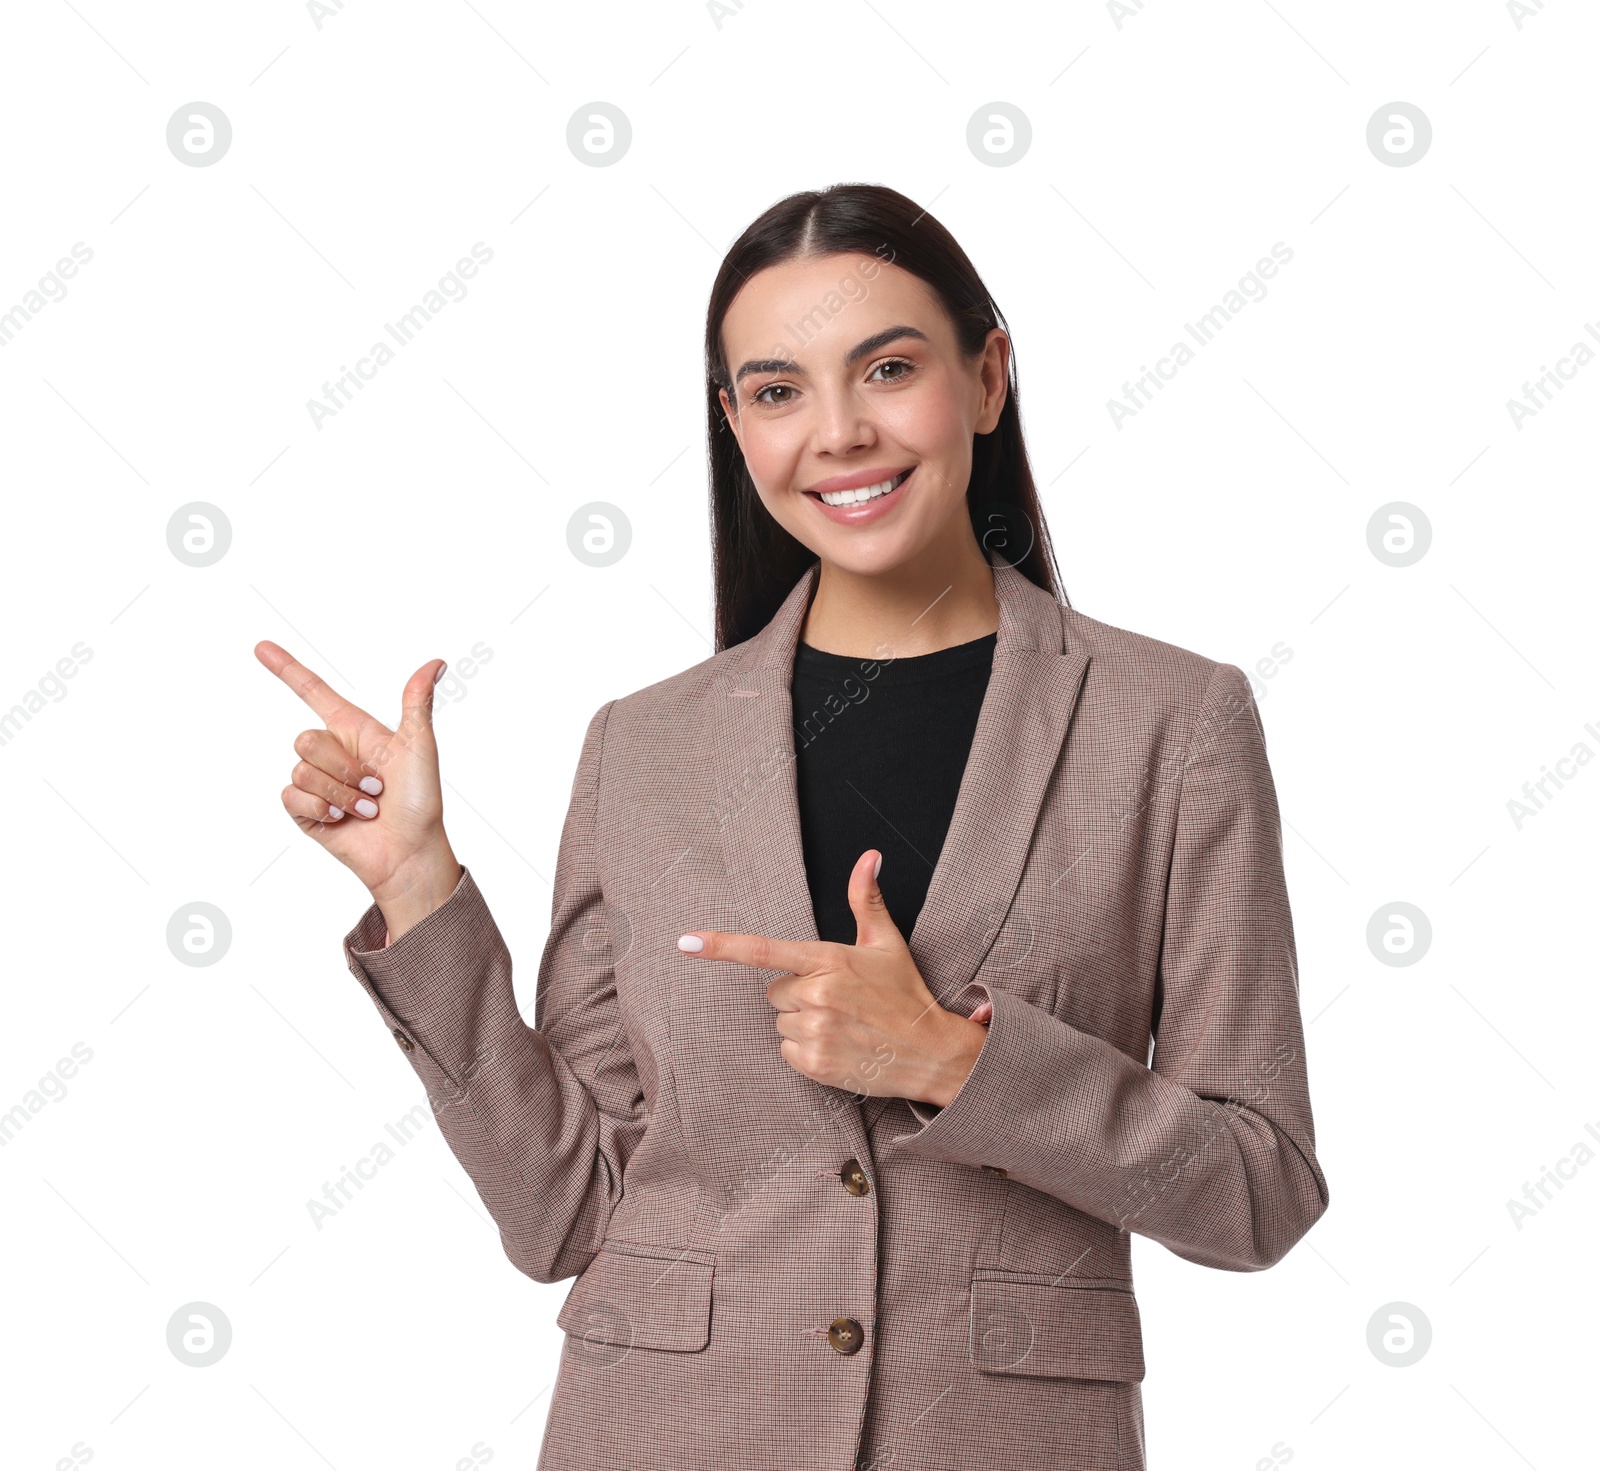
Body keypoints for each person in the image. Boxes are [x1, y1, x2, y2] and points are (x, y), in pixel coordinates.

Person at [256, 183, 1329, 1471]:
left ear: (987, 378)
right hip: (663, 1435)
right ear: (733, 425)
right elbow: (565, 1211)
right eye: (775, 391)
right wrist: (424, 890)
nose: (838, 432)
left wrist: (955, 1064)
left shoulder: (1173, 721)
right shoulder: (640, 748)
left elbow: (1257, 1188)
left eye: (887, 369)